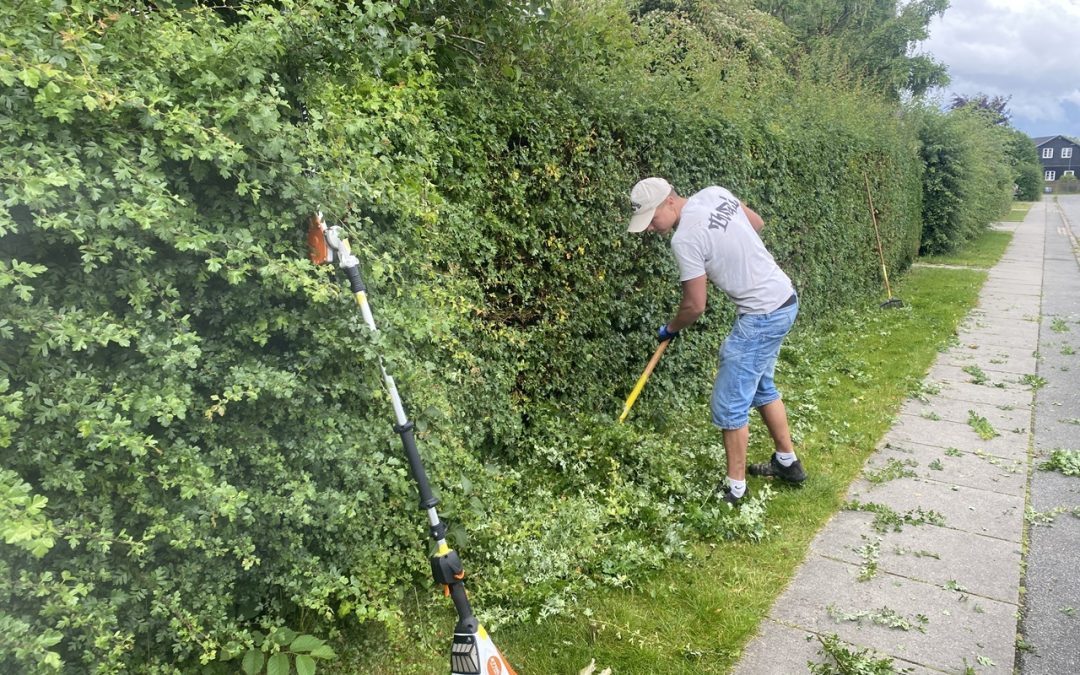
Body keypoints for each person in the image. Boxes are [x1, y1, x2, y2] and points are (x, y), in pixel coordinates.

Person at [627, 176, 807, 505]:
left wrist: (670, 329)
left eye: (652, 219)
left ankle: (736, 491)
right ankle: (787, 463)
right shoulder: (714, 193)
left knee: (730, 404)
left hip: (762, 316)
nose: (651, 228)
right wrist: (726, 254)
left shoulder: (684, 240)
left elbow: (695, 306)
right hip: (784, 299)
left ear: (669, 201)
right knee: (761, 386)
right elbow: (756, 222)